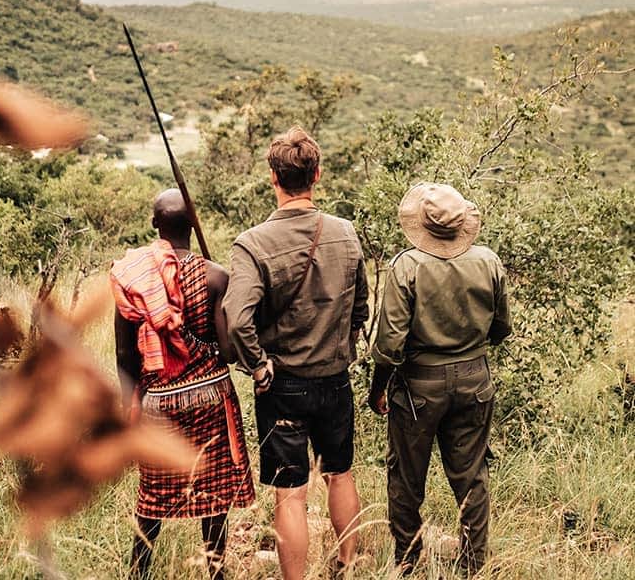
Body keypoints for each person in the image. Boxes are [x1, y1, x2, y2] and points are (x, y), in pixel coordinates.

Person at [223, 127, 369, 580]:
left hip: (282, 385)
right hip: (335, 380)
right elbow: (360, 305)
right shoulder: (345, 233)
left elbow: (235, 318)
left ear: (273, 177)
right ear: (317, 175)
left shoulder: (252, 243)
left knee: (291, 494)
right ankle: (348, 567)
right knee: (340, 476)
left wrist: (258, 366)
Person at [110, 189, 255, 580]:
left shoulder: (134, 278)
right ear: (193, 224)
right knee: (213, 488)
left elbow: (125, 355)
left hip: (158, 404)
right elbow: (226, 352)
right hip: (211, 398)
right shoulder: (216, 275)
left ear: (155, 224)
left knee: (153, 493)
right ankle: (216, 571)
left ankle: (139, 571)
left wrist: (130, 408)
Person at [368, 182, 512, 577]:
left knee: (406, 479)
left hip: (418, 386)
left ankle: (409, 563)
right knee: (472, 476)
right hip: (475, 379)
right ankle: (473, 564)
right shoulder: (488, 261)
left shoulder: (407, 266)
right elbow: (501, 329)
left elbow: (389, 343)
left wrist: (378, 390)